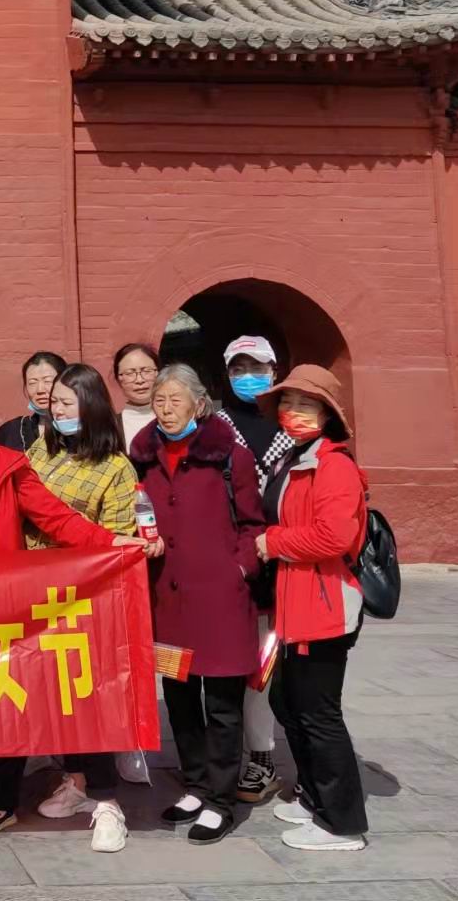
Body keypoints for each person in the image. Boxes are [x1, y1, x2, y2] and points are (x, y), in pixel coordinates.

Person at [0, 388, 149, 836]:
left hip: (2, 604)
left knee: (1, 698)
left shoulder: (11, 466)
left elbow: (55, 518)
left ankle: (0, 799)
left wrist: (109, 541)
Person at [131, 363, 265, 845]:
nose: (166, 409)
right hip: (168, 600)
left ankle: (221, 801)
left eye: (175, 400)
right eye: (159, 400)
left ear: (199, 404)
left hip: (220, 600)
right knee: (181, 699)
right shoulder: (142, 456)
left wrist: (239, 569)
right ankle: (196, 785)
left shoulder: (230, 456)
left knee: (223, 705)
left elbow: (253, 523)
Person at [24, 363, 140, 850]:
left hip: (84, 600)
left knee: (86, 699)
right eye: (54, 402)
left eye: (67, 402)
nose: (57, 410)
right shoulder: (41, 451)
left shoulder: (116, 468)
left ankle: (108, 803)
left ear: (90, 406)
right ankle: (76, 781)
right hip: (34, 596)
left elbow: (119, 537)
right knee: (55, 698)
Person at [255, 365, 369, 852]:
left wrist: (273, 542)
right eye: (289, 402)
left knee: (320, 714)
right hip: (296, 602)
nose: (294, 411)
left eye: (307, 404)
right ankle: (314, 796)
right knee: (288, 702)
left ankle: (342, 824)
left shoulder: (333, 465)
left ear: (328, 414)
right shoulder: (294, 457)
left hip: (324, 606)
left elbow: (334, 535)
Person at [214, 334, 293, 805]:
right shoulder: (215, 427)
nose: (248, 377)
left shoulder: (292, 423)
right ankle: (257, 758)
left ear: (274, 370)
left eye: (257, 368)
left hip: (290, 565)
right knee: (248, 667)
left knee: (285, 666)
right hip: (237, 566)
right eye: (238, 368)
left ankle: (285, 755)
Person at [0, 351, 65, 452]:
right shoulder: (12, 431)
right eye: (32, 383)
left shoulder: (79, 429)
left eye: (48, 381)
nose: (40, 390)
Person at [113, 343, 160, 446]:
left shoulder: (179, 417)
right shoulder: (110, 427)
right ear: (118, 379)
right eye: (129, 373)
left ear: (158, 373)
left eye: (146, 371)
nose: (139, 380)